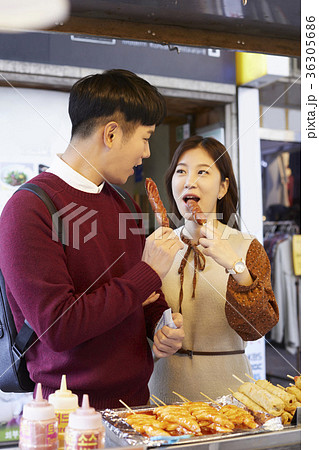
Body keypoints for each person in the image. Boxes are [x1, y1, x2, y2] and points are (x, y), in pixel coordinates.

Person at [0, 69, 185, 410]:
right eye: (145, 138)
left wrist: (161, 322)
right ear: (111, 134)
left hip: (137, 406)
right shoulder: (29, 208)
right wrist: (149, 272)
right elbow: (59, 328)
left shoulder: (124, 203)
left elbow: (140, 297)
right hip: (67, 416)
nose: (146, 153)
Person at [149, 135, 279, 403]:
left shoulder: (246, 247)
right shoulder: (155, 244)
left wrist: (234, 264)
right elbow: (134, 318)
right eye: (181, 171)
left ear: (222, 187)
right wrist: (155, 335)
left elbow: (258, 328)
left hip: (229, 397)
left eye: (202, 172)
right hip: (161, 396)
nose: (189, 181)